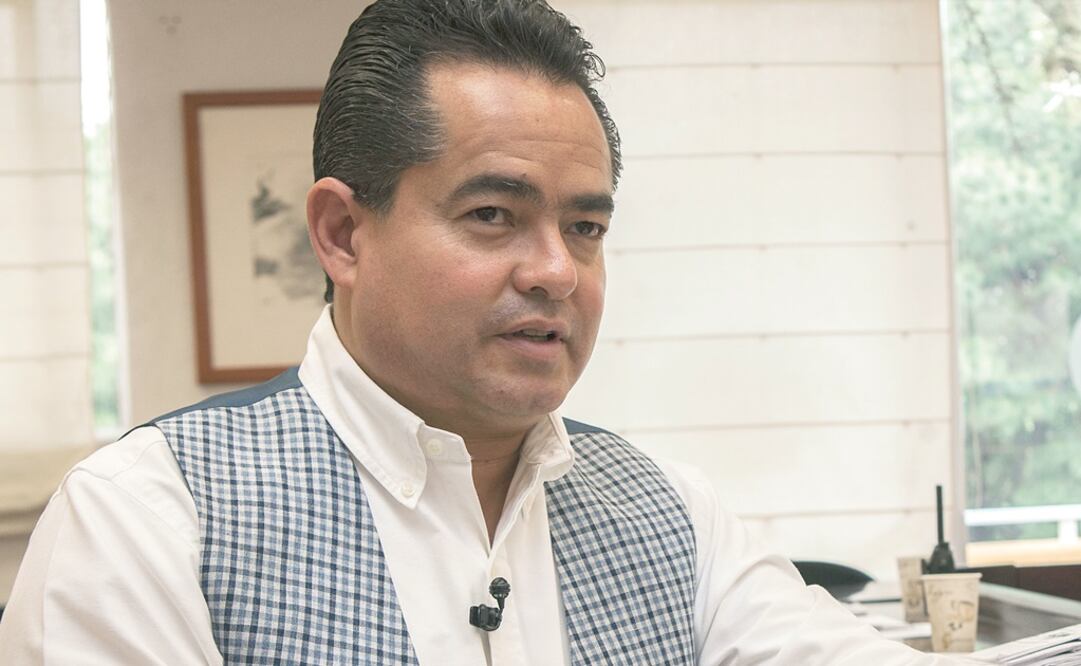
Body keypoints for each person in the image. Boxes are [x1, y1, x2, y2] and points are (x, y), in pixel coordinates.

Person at [0, 1, 971, 663]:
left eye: (585, 228)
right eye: (492, 216)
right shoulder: (146, 522)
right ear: (343, 233)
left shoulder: (676, 518)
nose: (556, 270)